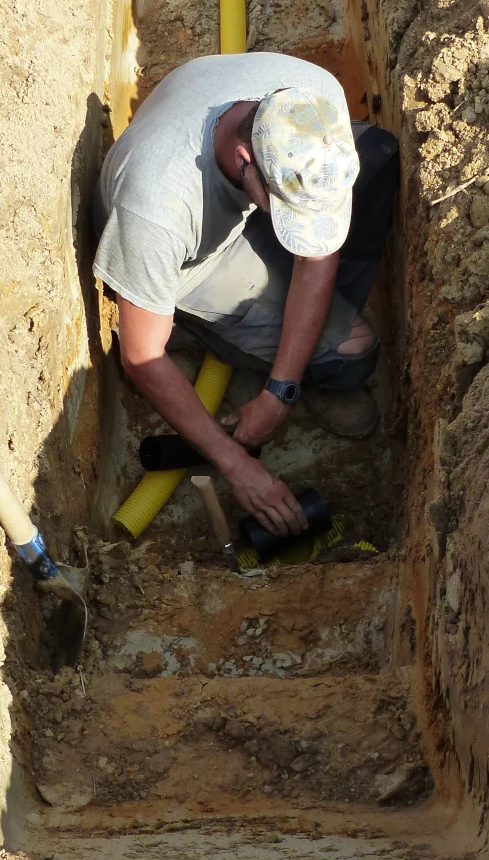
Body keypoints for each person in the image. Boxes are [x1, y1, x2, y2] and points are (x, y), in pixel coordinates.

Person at [92, 51, 398, 537]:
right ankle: (205, 329)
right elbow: (141, 356)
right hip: (193, 260)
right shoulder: (159, 213)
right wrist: (237, 466)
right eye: (286, 208)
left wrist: (280, 391)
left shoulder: (311, 93)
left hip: (229, 210)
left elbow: (315, 252)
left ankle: (304, 330)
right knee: (352, 352)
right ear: (244, 159)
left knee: (380, 154)